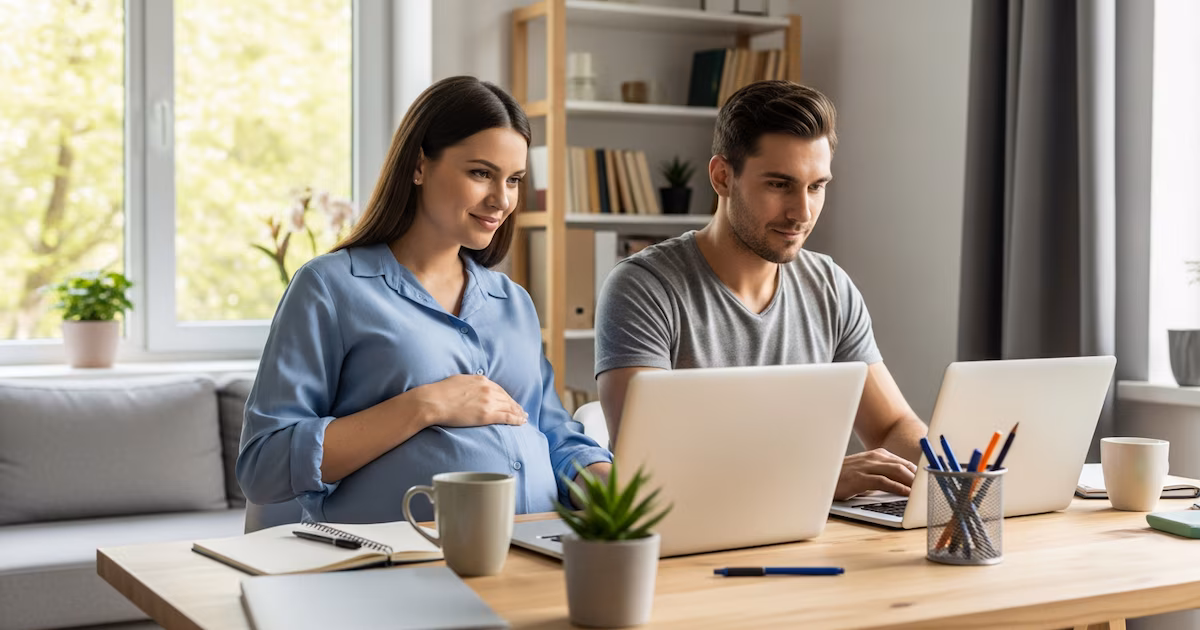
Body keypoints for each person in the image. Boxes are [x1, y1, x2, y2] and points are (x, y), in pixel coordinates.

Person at [237, 76, 612, 527]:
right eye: (481, 173)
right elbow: (264, 467)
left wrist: (602, 480)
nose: (502, 199)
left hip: (541, 548)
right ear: (419, 166)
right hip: (402, 563)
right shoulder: (330, 288)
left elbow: (551, 431)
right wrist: (424, 406)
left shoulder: (513, 301)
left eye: (514, 180)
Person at [595, 80, 926, 501]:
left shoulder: (830, 287)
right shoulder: (643, 288)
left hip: (805, 532)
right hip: (683, 543)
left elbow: (891, 426)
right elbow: (648, 465)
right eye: (779, 184)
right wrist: (817, 478)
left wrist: (951, 469)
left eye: (816, 186)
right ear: (722, 177)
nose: (801, 213)